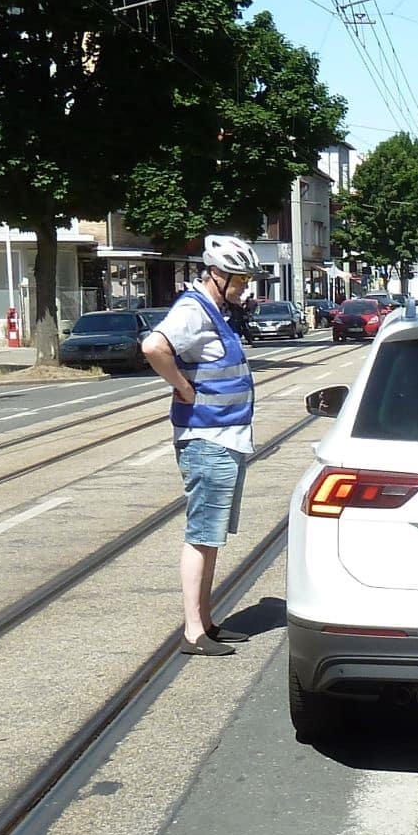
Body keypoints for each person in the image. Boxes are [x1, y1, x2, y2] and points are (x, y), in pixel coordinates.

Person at [142, 238, 267, 657]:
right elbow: (153, 346)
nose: (245, 286)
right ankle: (194, 631)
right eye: (241, 279)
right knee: (201, 535)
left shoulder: (215, 311)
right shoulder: (193, 310)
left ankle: (206, 621)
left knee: (211, 537)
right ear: (218, 274)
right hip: (207, 439)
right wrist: (182, 388)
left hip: (225, 437)